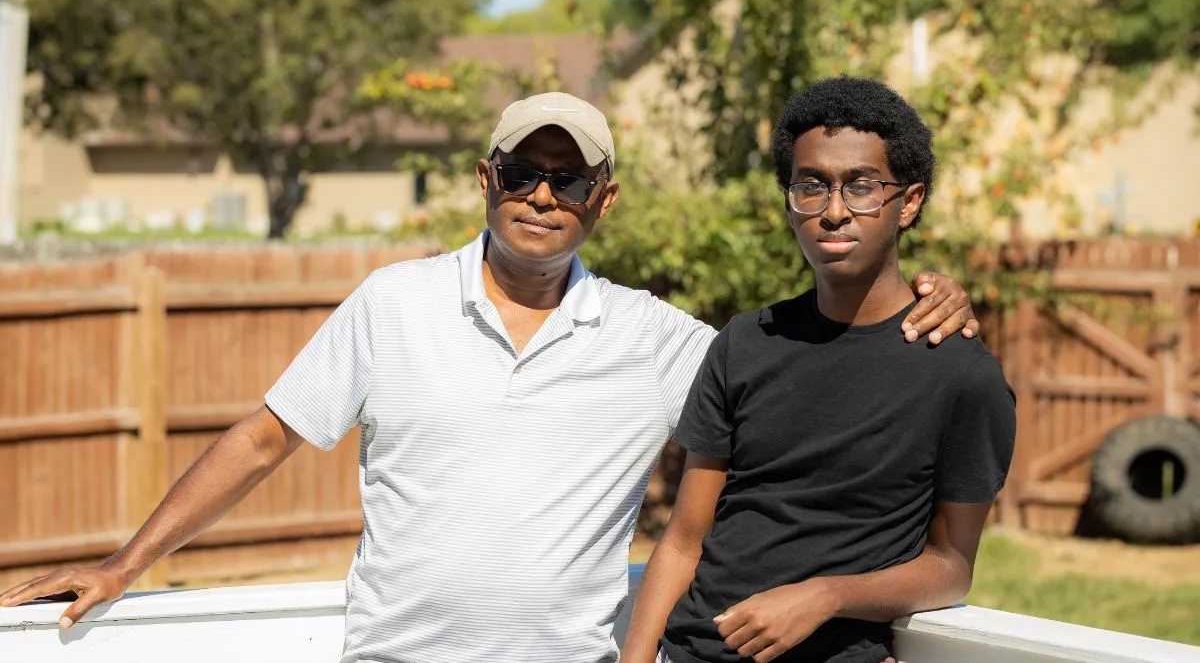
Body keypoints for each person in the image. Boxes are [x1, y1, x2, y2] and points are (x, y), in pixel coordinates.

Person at [0, 91, 980, 663]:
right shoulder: (394, 306)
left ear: (605, 199)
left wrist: (932, 296)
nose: (542, 196)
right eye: (523, 171)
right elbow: (262, 440)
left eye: (569, 179)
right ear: (487, 177)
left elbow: (804, 375)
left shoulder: (654, 339)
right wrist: (127, 565)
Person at [622, 77, 1017, 663]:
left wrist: (826, 597)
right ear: (790, 200)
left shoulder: (961, 374)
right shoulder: (746, 343)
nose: (834, 211)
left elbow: (951, 567)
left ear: (908, 203)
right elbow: (684, 539)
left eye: (862, 187)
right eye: (813, 186)